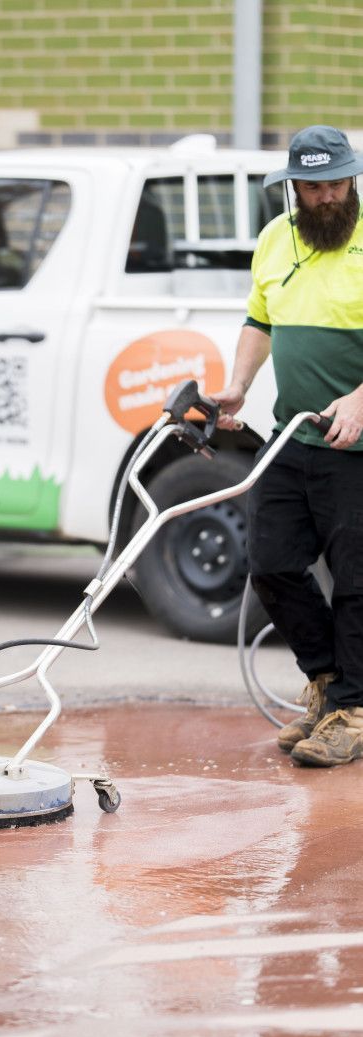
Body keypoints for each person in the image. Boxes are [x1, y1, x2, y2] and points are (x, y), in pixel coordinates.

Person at [213, 124, 363, 767]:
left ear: (351, 179)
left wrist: (360, 398)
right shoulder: (277, 237)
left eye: (337, 184)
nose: (327, 197)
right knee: (270, 563)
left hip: (357, 446)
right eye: (313, 186)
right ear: (293, 188)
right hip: (293, 433)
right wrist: (238, 385)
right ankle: (328, 685)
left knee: (357, 580)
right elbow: (260, 318)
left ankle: (353, 710)